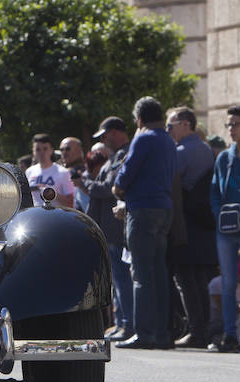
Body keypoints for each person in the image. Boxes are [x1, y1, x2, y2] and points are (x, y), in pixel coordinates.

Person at [112, 96, 177, 349]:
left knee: (140, 274)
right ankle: (161, 333)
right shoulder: (169, 140)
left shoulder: (144, 137)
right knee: (159, 272)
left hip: (142, 209)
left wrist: (119, 191)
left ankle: (144, 332)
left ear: (139, 119)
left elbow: (125, 176)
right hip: (164, 208)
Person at [165, 106, 217, 348]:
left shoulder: (181, 152)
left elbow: (170, 186)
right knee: (199, 279)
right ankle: (203, 328)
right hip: (204, 224)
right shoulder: (206, 149)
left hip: (186, 224)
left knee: (186, 279)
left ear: (186, 124)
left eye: (170, 125)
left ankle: (196, 330)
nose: (168, 130)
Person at [82, 119, 133, 341]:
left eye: (105, 135)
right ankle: (122, 322)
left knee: (122, 279)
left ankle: (127, 324)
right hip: (107, 227)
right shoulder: (116, 156)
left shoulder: (125, 154)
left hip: (115, 228)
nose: (103, 140)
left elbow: (109, 189)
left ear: (114, 133)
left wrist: (85, 183)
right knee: (117, 281)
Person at [209, 104, 240, 352]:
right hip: (227, 230)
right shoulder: (224, 158)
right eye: (229, 124)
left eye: (235, 124)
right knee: (228, 283)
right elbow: (214, 191)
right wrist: (219, 215)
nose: (230, 129)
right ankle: (230, 335)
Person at [25, 133, 75, 208]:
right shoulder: (29, 171)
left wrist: (50, 193)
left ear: (51, 150)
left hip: (55, 216)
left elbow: (70, 203)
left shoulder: (63, 172)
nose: (42, 153)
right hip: (35, 216)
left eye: (45, 149)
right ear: (33, 151)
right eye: (38, 149)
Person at [60, 137, 89, 212]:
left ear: (79, 150)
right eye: (61, 149)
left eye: (67, 149)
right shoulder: (58, 169)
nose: (64, 152)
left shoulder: (88, 169)